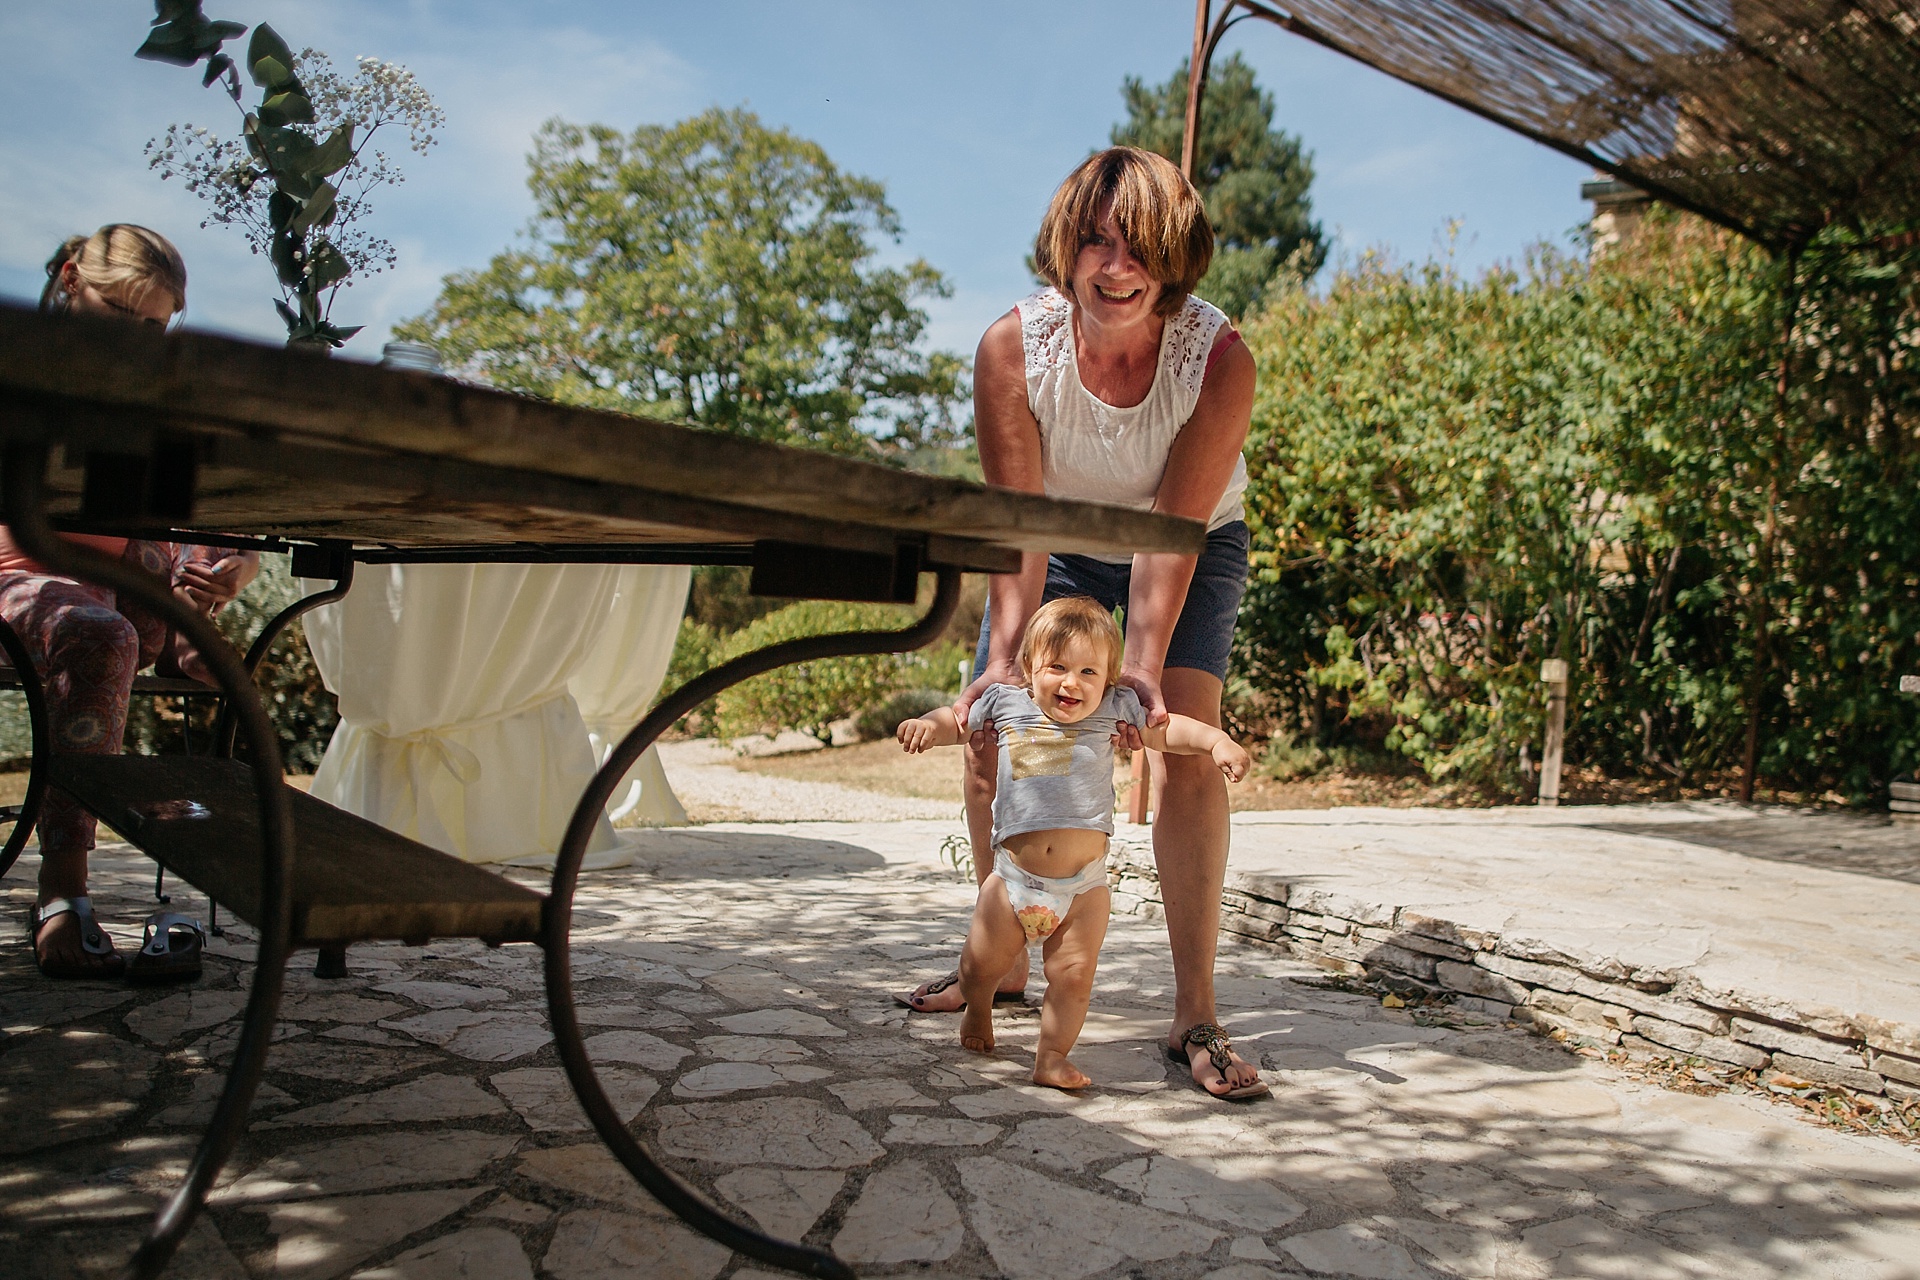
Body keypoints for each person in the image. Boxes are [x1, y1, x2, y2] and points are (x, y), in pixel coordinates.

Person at [896, 147, 1268, 1100]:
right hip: (1054, 539)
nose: (1114, 266)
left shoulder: (1219, 363)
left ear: (1175, 259)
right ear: (1065, 250)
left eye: (1139, 246)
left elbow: (1168, 534)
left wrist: (1139, 673)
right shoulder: (1013, 349)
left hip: (1189, 538)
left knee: (1176, 739)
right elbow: (1017, 524)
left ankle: (1195, 1014)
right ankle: (1009, 955)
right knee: (993, 729)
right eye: (1095, 241)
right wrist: (999, 662)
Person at [6, 224, 259, 980]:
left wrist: (236, 566)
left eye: (155, 328)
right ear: (72, 279)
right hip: (20, 587)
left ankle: (185, 628)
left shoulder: (147, 392)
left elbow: (218, 507)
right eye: (121, 317)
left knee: (185, 521)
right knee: (101, 632)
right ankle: (63, 894)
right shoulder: (19, 366)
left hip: (121, 589)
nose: (137, 339)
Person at [898, 597, 1250, 1091]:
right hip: (1013, 883)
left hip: (1083, 889)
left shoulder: (1115, 710)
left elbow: (1170, 731)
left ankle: (1052, 1055)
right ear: (1028, 668)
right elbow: (958, 720)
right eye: (1057, 667)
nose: (1071, 682)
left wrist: (1215, 742)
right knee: (980, 966)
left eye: (1088, 671)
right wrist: (926, 728)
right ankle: (977, 1007)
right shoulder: (1007, 703)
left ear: (1109, 678)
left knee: (1074, 976)